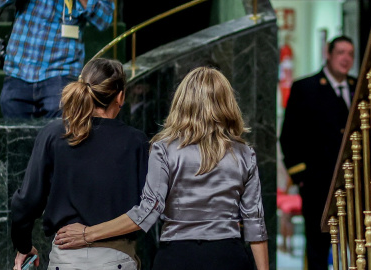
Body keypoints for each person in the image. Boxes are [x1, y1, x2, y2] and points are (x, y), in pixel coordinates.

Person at [54, 67, 269, 270]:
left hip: (176, 257)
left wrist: (87, 234)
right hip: (228, 256)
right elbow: (255, 224)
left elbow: (148, 211)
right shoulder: (244, 154)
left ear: (182, 101)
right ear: (227, 103)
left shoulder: (164, 149)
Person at [10, 58, 149, 270]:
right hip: (118, 259)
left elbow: (26, 202)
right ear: (120, 96)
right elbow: (147, 209)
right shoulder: (136, 141)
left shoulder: (54, 134)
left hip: (65, 260)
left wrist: (23, 245)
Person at [280, 36, 356, 270]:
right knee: (317, 249)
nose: (346, 58)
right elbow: (288, 137)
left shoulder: (357, 87)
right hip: (318, 185)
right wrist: (302, 177)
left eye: (350, 54)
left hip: (352, 184)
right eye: (341, 52)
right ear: (329, 55)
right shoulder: (306, 88)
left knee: (356, 244)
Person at [0, 0, 114, 118]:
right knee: (15, 136)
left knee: (59, 135)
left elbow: (104, 20)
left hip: (61, 72)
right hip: (19, 69)